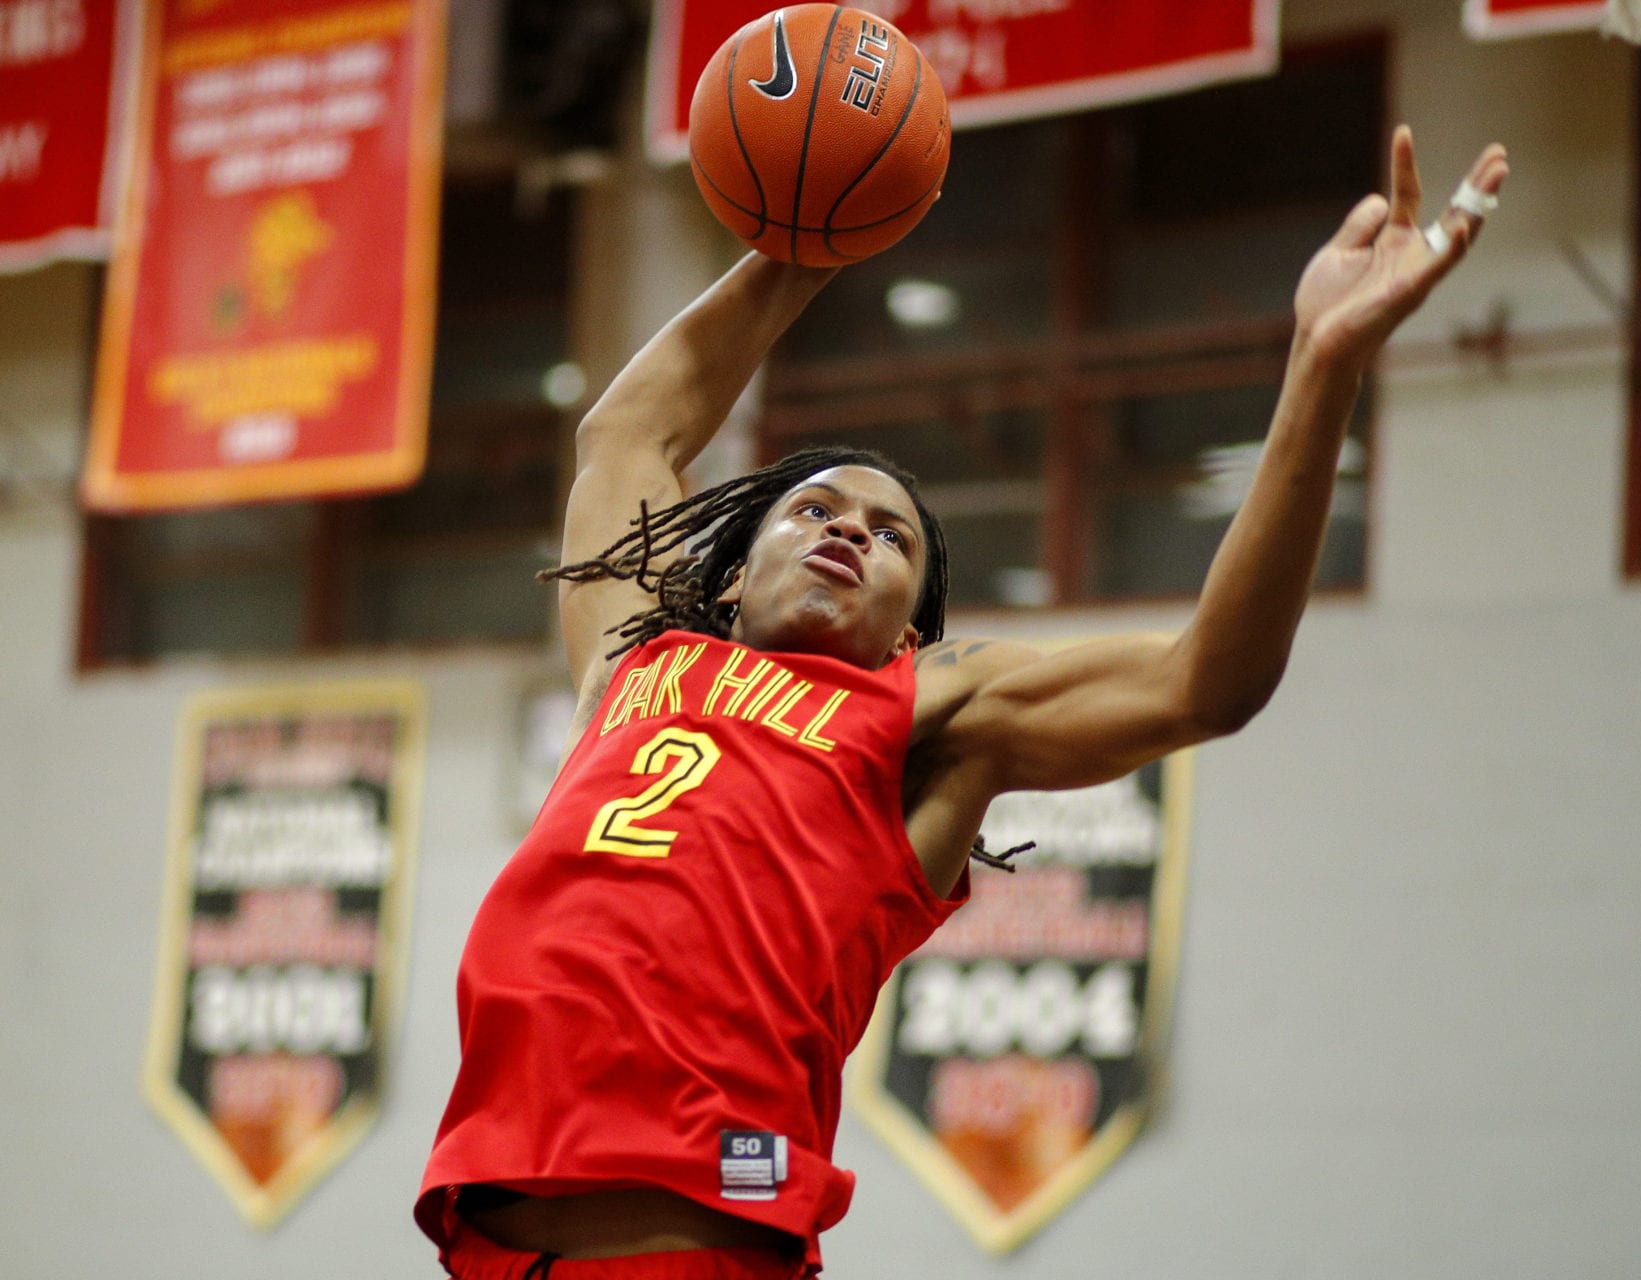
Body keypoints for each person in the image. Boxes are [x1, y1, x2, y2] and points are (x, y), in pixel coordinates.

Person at [417, 125, 1509, 1279]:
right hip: (496, 1246)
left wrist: (1323, 367)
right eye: (816, 508)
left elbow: (1208, 681)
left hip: (693, 1243)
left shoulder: (926, 717)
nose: (849, 527)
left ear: (908, 624)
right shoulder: (628, 663)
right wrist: (802, 243)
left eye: (891, 537)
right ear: (732, 570)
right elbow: (629, 433)